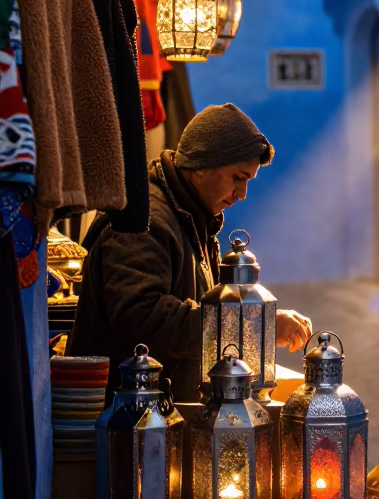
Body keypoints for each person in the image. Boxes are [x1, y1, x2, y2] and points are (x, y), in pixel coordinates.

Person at [68, 103, 312, 401]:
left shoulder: (192, 219)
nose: (243, 193)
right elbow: (143, 319)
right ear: (201, 165)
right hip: (127, 422)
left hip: (160, 414)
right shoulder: (144, 220)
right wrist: (256, 325)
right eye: (238, 177)